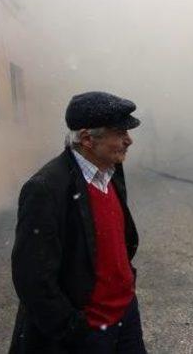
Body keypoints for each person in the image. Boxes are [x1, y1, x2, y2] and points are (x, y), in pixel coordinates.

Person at [9, 91, 147, 353]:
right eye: (120, 132)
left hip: (126, 314)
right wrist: (72, 328)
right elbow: (32, 279)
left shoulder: (112, 169)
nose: (129, 140)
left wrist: (126, 283)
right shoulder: (46, 188)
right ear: (87, 139)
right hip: (88, 331)